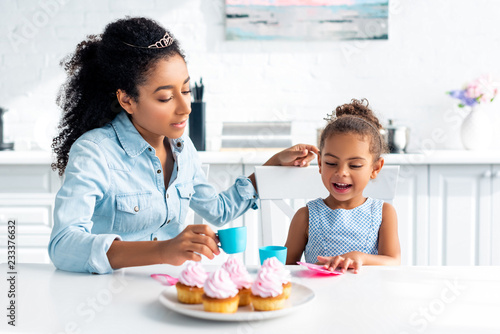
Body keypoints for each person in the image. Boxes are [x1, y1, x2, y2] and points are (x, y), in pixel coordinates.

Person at [49, 17, 318, 274]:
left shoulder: (181, 147)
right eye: (165, 97)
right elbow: (64, 246)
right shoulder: (95, 152)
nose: (185, 107)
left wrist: (269, 168)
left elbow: (218, 210)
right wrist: (163, 250)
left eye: (186, 91)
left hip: (168, 290)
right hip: (109, 300)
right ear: (127, 100)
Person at [284, 99, 400, 273]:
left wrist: (361, 258)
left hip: (368, 297)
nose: (342, 172)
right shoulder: (305, 216)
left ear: (375, 168)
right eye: (331, 163)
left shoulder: (384, 213)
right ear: (320, 163)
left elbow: (394, 262)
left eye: (354, 165)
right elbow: (285, 269)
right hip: (320, 297)